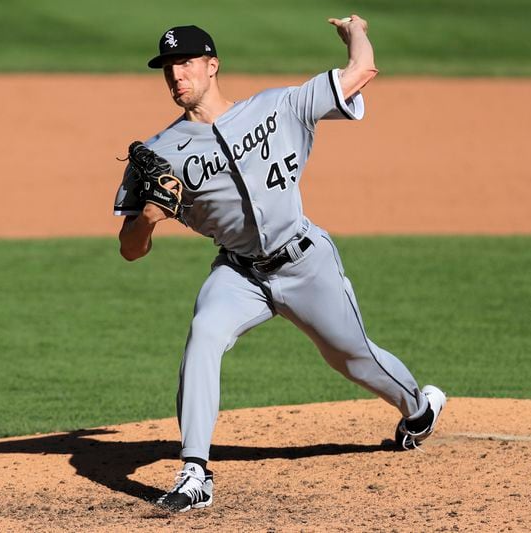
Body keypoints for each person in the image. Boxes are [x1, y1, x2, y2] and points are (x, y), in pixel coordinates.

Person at [113, 15, 446, 513]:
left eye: (185, 62)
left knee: (353, 357)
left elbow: (362, 70)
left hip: (305, 263)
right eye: (167, 67)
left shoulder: (278, 106)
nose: (176, 74)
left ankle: (418, 410)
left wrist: (355, 30)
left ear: (212, 65)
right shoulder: (160, 153)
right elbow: (129, 248)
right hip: (239, 273)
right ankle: (194, 471)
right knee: (205, 332)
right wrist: (152, 217)